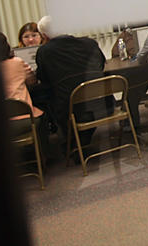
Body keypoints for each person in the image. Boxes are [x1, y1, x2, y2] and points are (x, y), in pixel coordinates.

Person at [34, 17, 110, 148]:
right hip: (101, 104)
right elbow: (101, 66)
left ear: (44, 35)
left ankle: (72, 144)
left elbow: (43, 79)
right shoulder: (90, 43)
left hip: (69, 109)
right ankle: (81, 140)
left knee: (46, 98)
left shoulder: (44, 51)